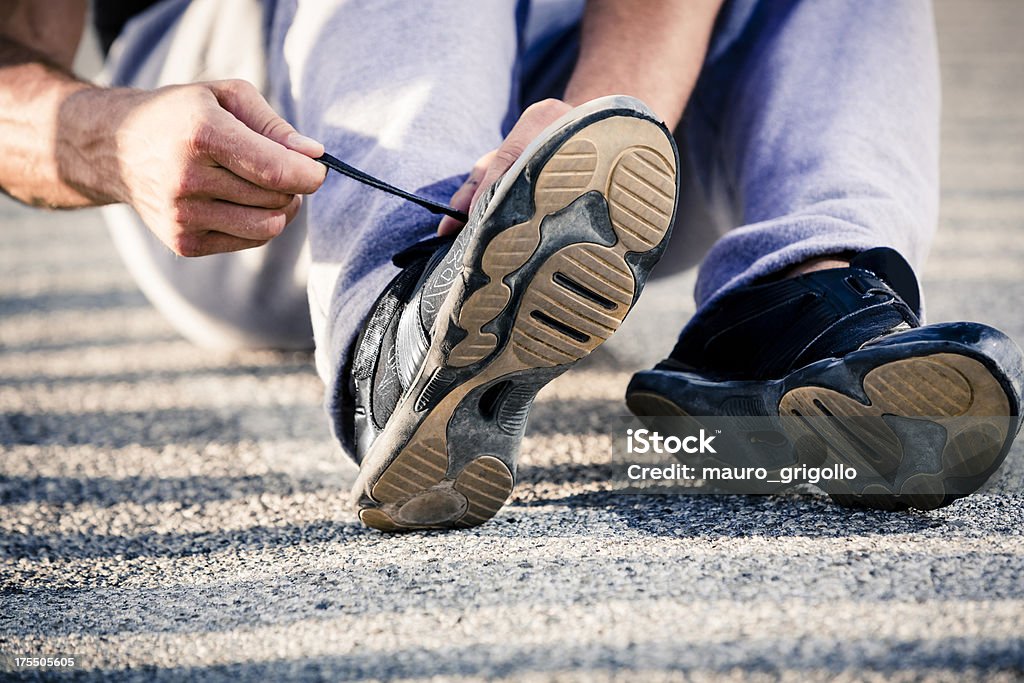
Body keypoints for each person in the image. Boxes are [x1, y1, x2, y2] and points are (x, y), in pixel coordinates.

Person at [2, 0, 1020, 531]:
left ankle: (795, 310)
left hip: (584, 96)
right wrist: (103, 133)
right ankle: (399, 332)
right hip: (267, 164)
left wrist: (599, 122)